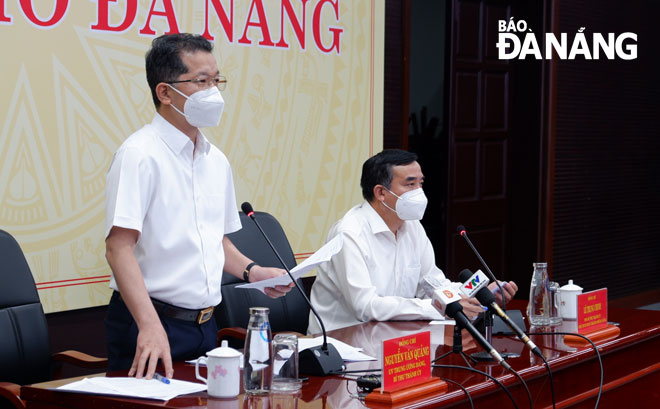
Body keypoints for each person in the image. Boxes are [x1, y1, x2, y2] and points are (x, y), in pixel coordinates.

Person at [104, 33, 291, 380]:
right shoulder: (138, 155)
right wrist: (149, 325)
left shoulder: (215, 160)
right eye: (202, 81)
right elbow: (118, 247)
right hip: (149, 323)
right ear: (165, 92)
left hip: (206, 325)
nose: (214, 92)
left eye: (216, 80)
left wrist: (254, 272)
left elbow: (214, 239)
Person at [308, 149, 518, 333]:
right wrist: (438, 307)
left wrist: (478, 296)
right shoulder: (349, 233)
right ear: (380, 192)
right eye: (410, 184)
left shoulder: (412, 226)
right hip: (342, 344)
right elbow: (365, 306)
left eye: (420, 183)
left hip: (392, 336)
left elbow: (433, 284)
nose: (419, 192)